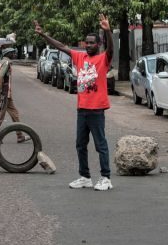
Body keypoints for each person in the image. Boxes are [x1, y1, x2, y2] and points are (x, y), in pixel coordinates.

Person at [35, 16, 115, 192]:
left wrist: (107, 30)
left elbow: (111, 49)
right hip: (82, 109)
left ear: (99, 44)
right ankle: (85, 177)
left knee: (100, 144)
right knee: (80, 144)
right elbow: (62, 46)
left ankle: (105, 177)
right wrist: (44, 35)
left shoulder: (103, 59)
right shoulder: (80, 57)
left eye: (92, 43)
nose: (88, 45)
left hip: (97, 109)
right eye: (86, 43)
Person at [0, 48, 26, 144]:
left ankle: (20, 136)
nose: (15, 54)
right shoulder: (6, 63)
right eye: (13, 53)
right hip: (4, 94)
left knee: (15, 114)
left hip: (7, 94)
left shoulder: (4, 62)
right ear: (8, 54)